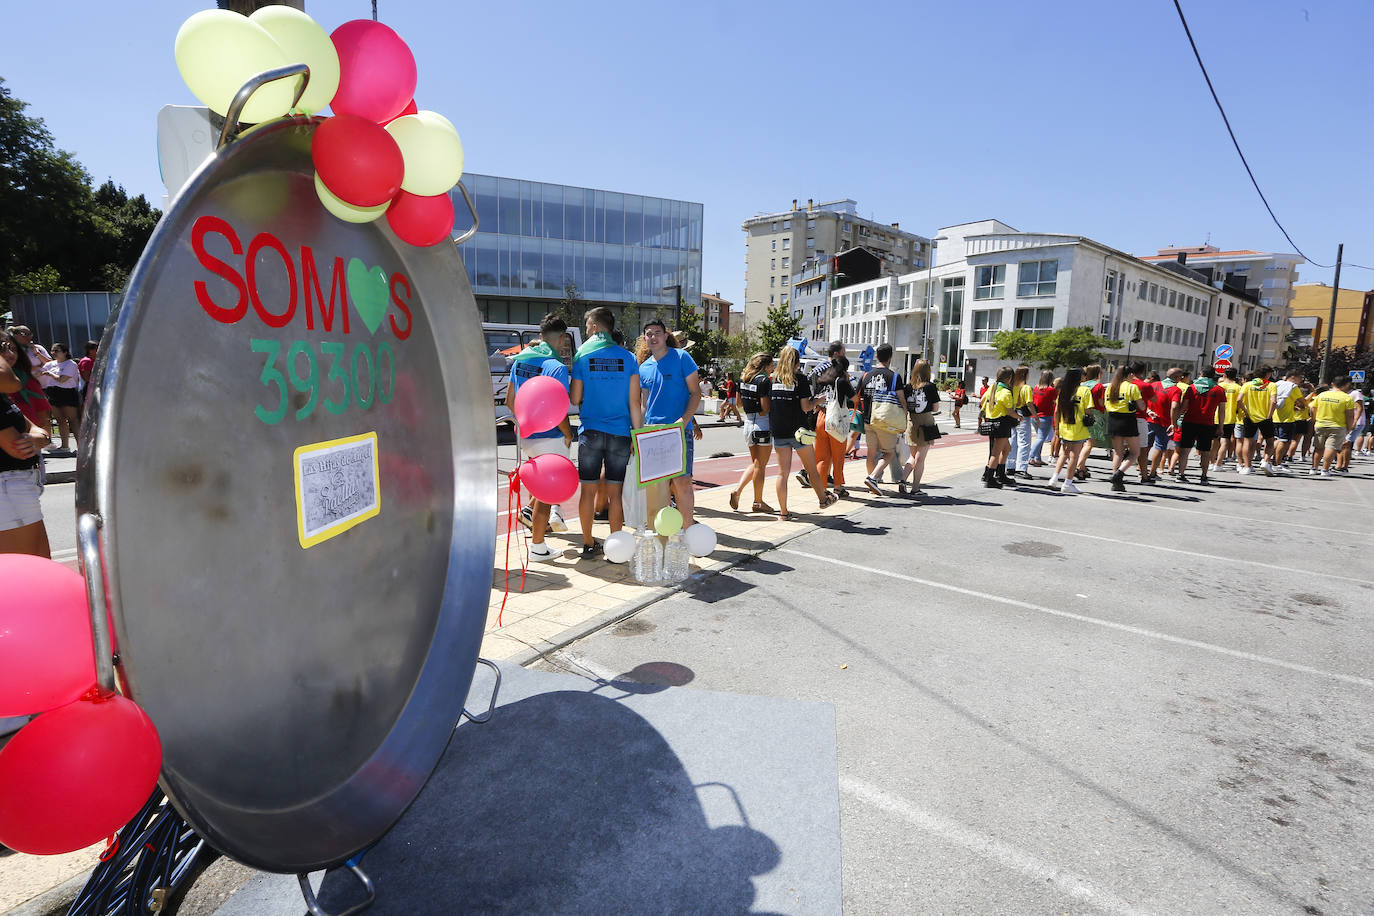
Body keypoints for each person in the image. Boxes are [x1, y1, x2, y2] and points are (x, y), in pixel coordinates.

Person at [570, 307, 642, 560]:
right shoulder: (629, 358)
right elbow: (635, 403)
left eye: (589, 325)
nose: (588, 330)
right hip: (621, 434)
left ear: (598, 327)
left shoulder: (582, 356)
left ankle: (589, 543)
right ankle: (616, 547)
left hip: (590, 431)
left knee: (588, 492)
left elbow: (575, 397)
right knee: (615, 493)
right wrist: (638, 436)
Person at [508, 313, 574, 561]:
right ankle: (538, 547)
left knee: (537, 486)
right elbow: (559, 409)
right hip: (549, 437)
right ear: (561, 338)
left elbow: (510, 401)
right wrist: (568, 434)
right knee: (547, 493)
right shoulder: (555, 366)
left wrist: (525, 424)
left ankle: (532, 526)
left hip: (524, 436)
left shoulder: (520, 361)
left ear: (540, 335)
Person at [639, 318, 703, 528]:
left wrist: (684, 421)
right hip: (652, 433)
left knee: (682, 483)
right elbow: (643, 404)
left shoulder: (682, 357)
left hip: (678, 431)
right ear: (644, 338)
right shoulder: (644, 367)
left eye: (657, 333)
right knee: (660, 488)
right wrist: (638, 432)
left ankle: (687, 531)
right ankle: (665, 533)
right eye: (649, 334)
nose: (653, 337)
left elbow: (695, 393)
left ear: (666, 335)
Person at [766, 347, 838, 519]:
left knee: (782, 473)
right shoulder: (800, 379)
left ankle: (783, 512)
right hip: (800, 431)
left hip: (778, 430)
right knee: (811, 468)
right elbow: (806, 406)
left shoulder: (772, 379)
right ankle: (823, 499)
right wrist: (819, 400)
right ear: (797, 362)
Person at [0, 390, 53, 557]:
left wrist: (40, 438)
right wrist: (39, 439)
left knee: (37, 566)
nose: (9, 361)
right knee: (29, 569)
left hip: (17, 488)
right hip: (9, 490)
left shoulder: (3, 397)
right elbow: (19, 448)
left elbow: (40, 432)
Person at [858, 343, 907, 496]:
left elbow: (856, 396)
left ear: (876, 356)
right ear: (890, 357)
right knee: (889, 453)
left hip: (868, 419)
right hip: (885, 420)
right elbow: (901, 399)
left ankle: (872, 485)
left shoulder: (866, 375)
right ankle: (873, 478)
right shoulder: (894, 377)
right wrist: (904, 418)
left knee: (871, 453)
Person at [808, 341, 856, 498]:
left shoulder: (823, 379)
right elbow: (855, 399)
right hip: (836, 418)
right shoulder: (842, 381)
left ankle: (821, 489)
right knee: (838, 456)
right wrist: (848, 381)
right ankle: (837, 487)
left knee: (822, 457)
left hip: (821, 417)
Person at [729, 353, 775, 513]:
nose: (773, 368)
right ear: (764, 366)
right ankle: (758, 502)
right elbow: (765, 408)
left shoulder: (743, 379)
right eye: (771, 365)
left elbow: (739, 403)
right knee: (761, 466)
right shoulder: (764, 381)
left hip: (748, 424)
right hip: (762, 425)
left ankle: (738, 491)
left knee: (756, 464)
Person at [1172, 368, 1226, 484]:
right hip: (1207, 424)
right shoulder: (1219, 389)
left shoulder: (1191, 388)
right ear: (1213, 376)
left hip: (1189, 422)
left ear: (1201, 374)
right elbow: (1222, 411)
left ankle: (1180, 474)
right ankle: (1204, 476)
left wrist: (1174, 421)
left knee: (1185, 450)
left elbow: (1183, 407)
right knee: (1206, 451)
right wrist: (1220, 427)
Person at [897, 359, 940, 497]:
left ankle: (903, 480)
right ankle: (915, 489)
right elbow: (935, 408)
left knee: (913, 456)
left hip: (911, 422)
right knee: (920, 459)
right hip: (926, 423)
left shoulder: (908, 387)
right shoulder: (930, 387)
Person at [1047, 367, 1091, 494]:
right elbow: (1088, 410)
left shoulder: (1063, 391)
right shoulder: (1084, 391)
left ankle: (1054, 479)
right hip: (1079, 428)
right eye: (1084, 374)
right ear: (1079, 377)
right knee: (1074, 456)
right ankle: (1067, 483)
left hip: (1064, 427)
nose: (1085, 376)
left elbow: (1056, 411)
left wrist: (1056, 428)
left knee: (1064, 454)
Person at [1104, 364, 1146, 493]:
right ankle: (1119, 474)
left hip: (1112, 419)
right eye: (1131, 374)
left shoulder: (1110, 387)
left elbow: (1106, 405)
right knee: (1134, 452)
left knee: (1118, 452)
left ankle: (1115, 479)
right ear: (1128, 375)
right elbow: (1142, 406)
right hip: (1127, 419)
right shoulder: (1132, 387)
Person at [1310, 376, 1356, 477]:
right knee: (1331, 447)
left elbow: (1313, 408)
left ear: (1332, 384)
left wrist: (1314, 420)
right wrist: (1349, 427)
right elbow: (1350, 415)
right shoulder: (1347, 398)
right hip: (1338, 426)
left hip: (1320, 424)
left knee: (1318, 448)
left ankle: (1314, 468)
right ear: (1347, 385)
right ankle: (1325, 470)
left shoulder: (1322, 395)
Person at [980, 366, 1017, 488]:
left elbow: (982, 402)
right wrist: (1019, 417)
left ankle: (1000, 475)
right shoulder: (1005, 392)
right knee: (996, 452)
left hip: (993, 422)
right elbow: (1010, 411)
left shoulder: (992, 388)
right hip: (1002, 423)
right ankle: (990, 479)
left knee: (1007, 449)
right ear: (1010, 378)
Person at [40, 344, 81, 454]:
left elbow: (62, 379)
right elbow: (38, 373)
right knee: (60, 420)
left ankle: (81, 447)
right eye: (52, 350)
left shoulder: (70, 364)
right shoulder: (50, 364)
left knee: (73, 420)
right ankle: (64, 446)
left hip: (67, 393)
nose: (53, 353)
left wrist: (50, 374)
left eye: (56, 351)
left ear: (65, 352)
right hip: (52, 392)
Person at [1236, 367, 1276, 476]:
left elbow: (1239, 400)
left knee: (1247, 442)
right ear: (1267, 374)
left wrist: (1246, 411)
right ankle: (1266, 461)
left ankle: (1247, 466)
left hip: (1250, 417)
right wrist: (1269, 415)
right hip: (1265, 417)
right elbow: (1274, 401)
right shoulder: (1271, 385)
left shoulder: (1247, 385)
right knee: (1270, 441)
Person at [1270, 370, 1307, 471]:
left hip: (1275, 416)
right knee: (1284, 441)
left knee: (1277, 439)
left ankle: (1269, 459)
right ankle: (1277, 463)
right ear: (1293, 377)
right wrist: (1304, 404)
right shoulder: (1293, 387)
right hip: (1286, 418)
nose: (1301, 380)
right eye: (1300, 378)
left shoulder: (1277, 384)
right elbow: (1302, 401)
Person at [1007, 365, 1036, 479]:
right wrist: (1036, 417)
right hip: (1023, 415)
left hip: (1013, 413)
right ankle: (1021, 468)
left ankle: (1010, 466)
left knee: (1013, 441)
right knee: (1024, 442)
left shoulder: (1013, 387)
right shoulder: (1026, 388)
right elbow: (1029, 403)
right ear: (1025, 374)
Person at [1212, 367, 1243, 471]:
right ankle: (1218, 464)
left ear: (1224, 375)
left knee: (1214, 441)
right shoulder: (1238, 388)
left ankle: (1212, 462)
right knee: (1225, 441)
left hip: (1215, 416)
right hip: (1229, 417)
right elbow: (1239, 403)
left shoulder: (1218, 386)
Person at [1028, 370, 1056, 466]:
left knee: (1039, 438)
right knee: (1041, 438)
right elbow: (1056, 400)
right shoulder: (1051, 390)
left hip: (1034, 416)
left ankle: (1037, 458)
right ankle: (1030, 456)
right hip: (1045, 416)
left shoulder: (1036, 388)